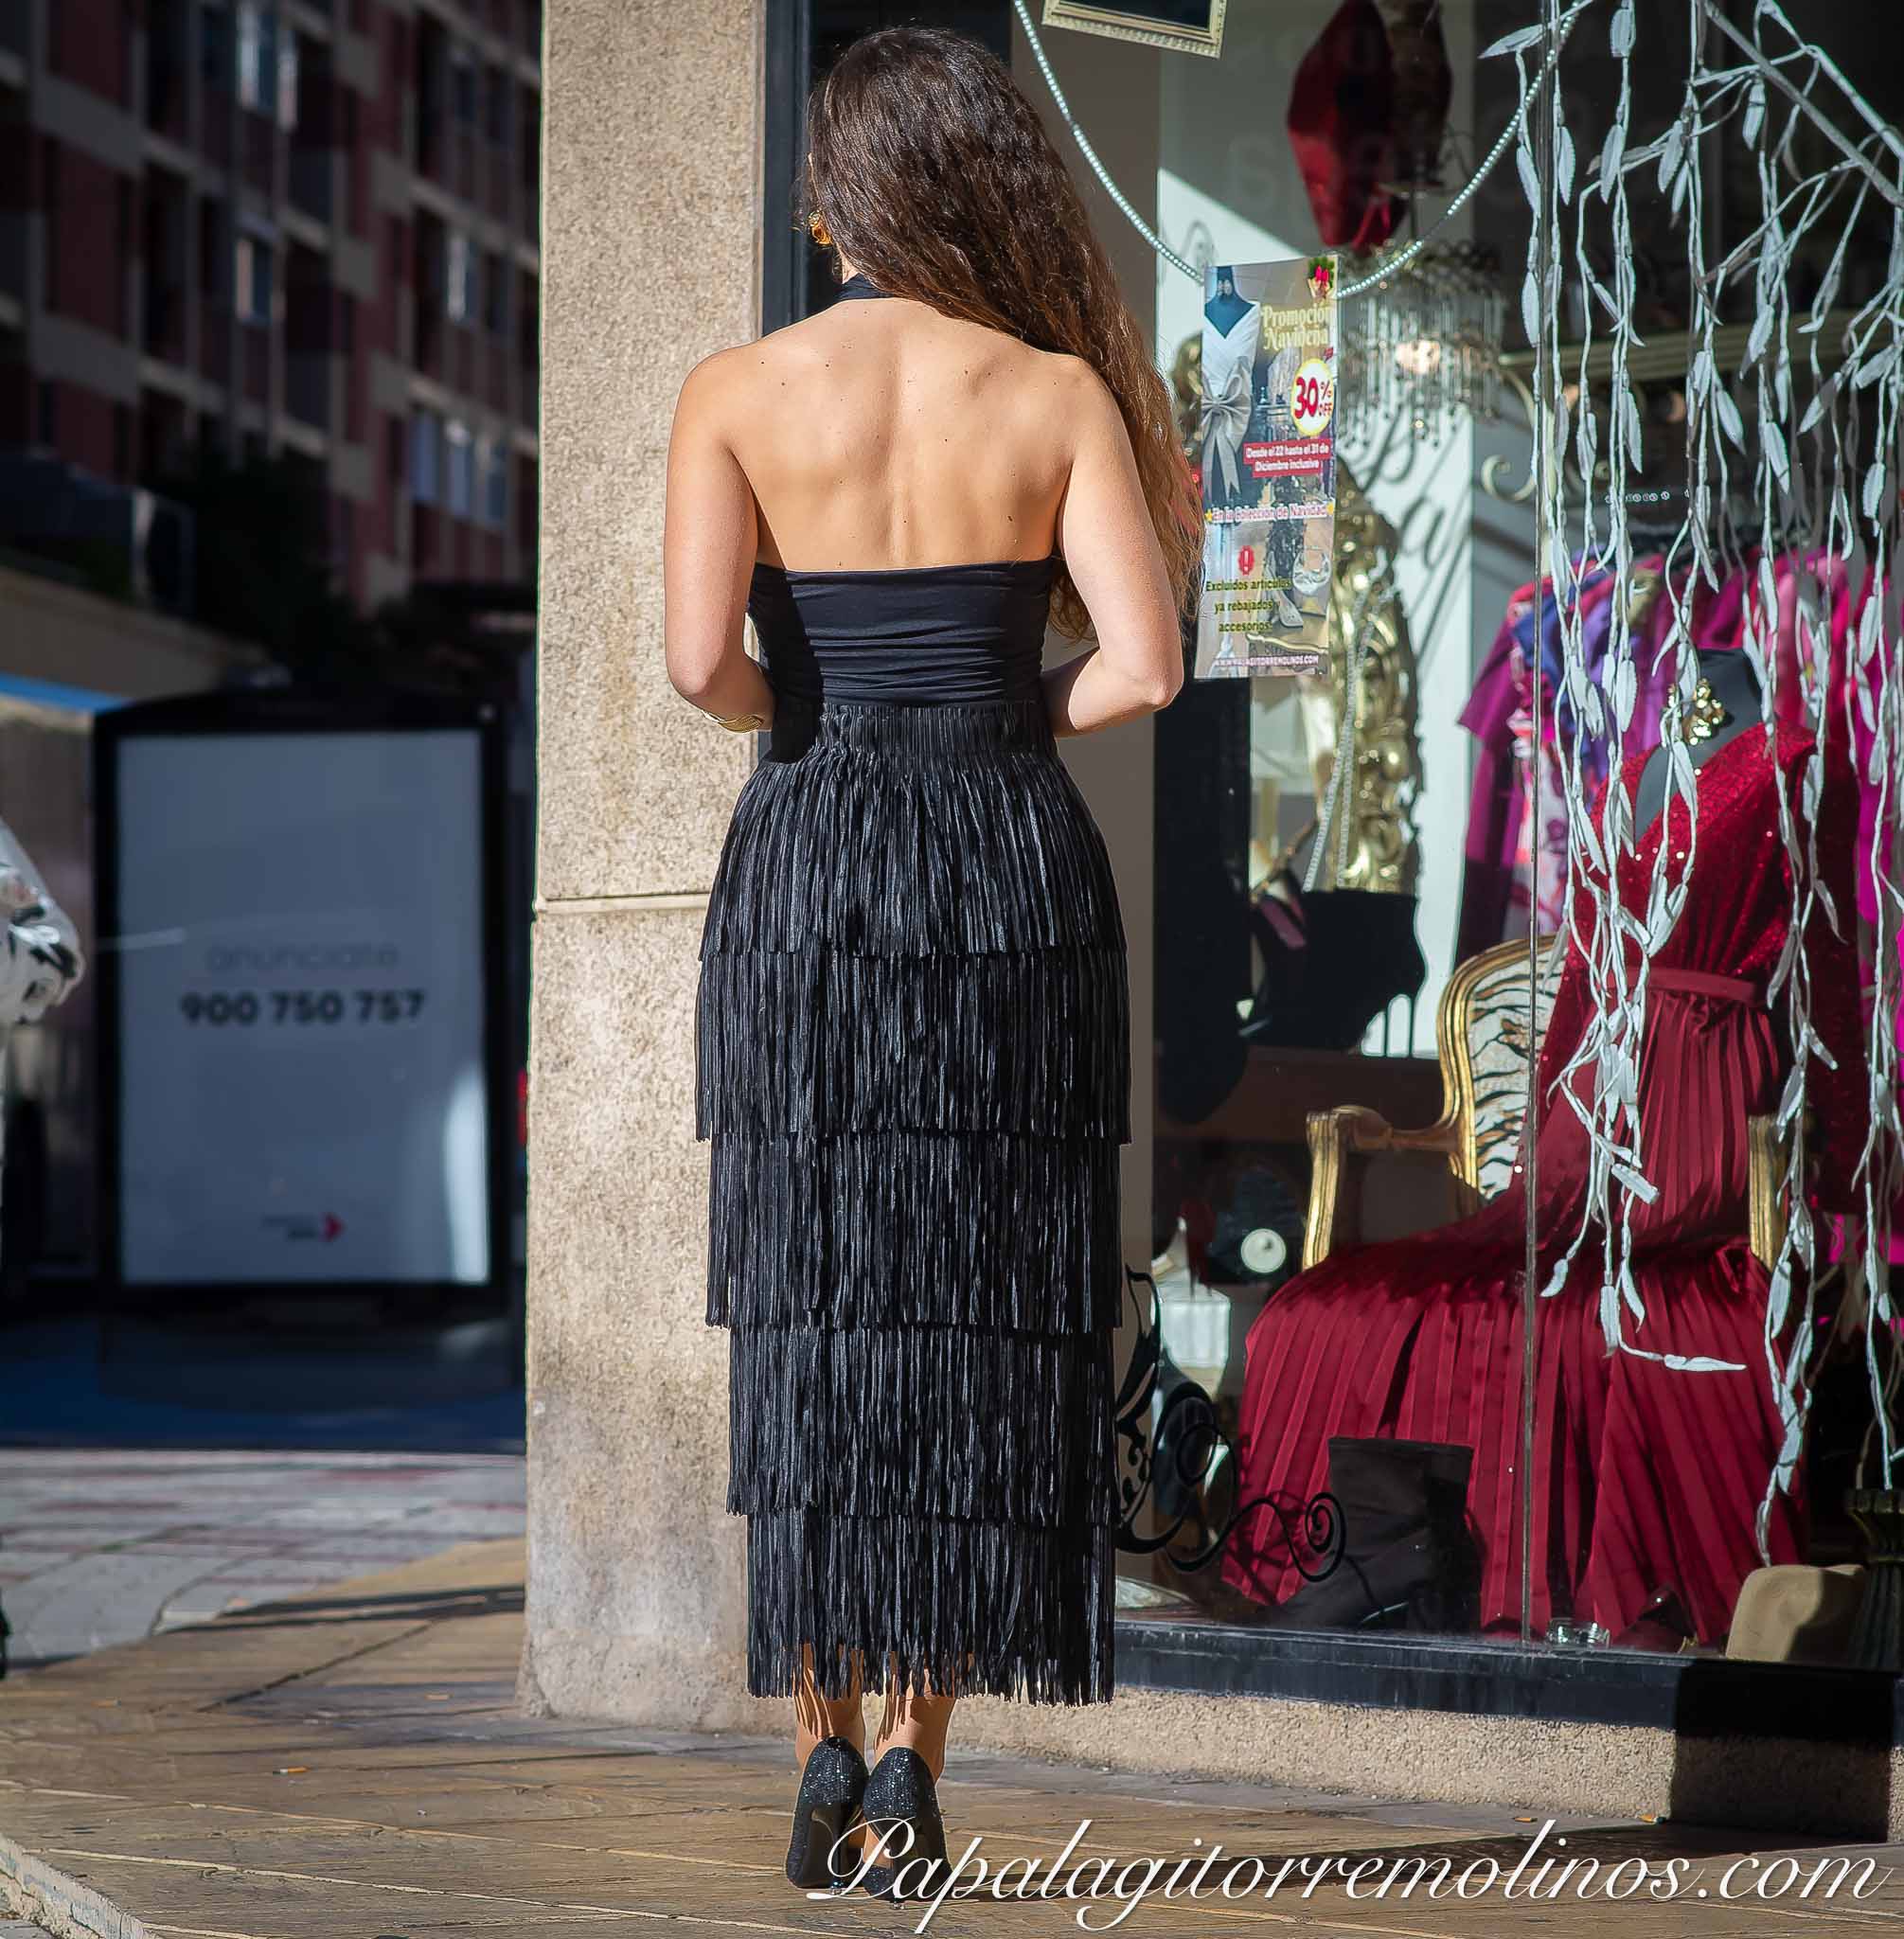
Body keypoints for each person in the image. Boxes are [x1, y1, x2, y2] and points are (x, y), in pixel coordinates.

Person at [662, 26, 1197, 1902]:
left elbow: (700, 666)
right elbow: (1143, 667)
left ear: (839, 204)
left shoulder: (736, 389)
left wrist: (819, 711)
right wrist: (993, 713)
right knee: (978, 1307)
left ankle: (815, 1740)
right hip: (1001, 868)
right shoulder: (1054, 393)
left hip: (812, 865)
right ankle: (911, 1767)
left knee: (815, 1301)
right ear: (975, 187)